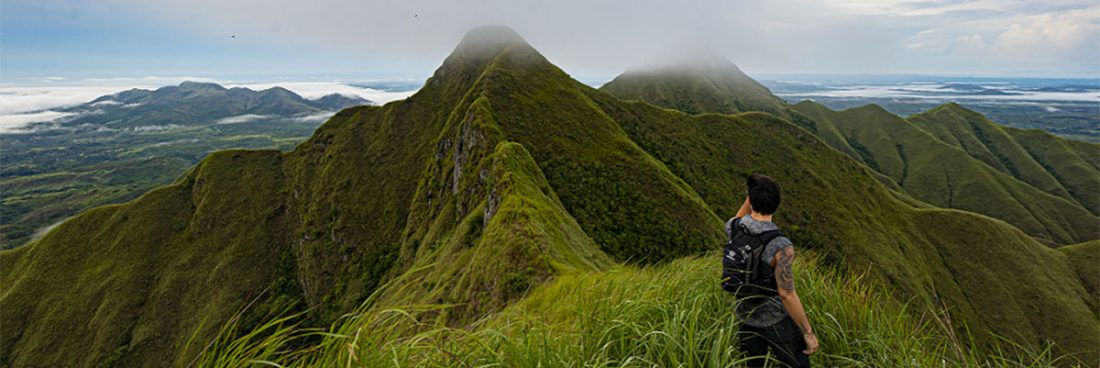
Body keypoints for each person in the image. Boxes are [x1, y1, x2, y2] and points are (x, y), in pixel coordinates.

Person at [727, 174, 818, 367]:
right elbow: (786, 293)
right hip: (774, 320)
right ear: (777, 204)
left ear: (750, 201)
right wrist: (808, 333)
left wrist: (751, 197)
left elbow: (738, 217)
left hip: (745, 316)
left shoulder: (734, 229)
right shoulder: (780, 245)